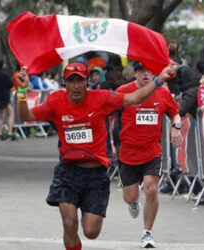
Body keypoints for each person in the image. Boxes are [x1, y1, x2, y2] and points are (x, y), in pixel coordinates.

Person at [17, 61, 176, 250]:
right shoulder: (55, 101)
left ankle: (86, 210)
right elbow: (25, 116)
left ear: (87, 83)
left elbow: (134, 98)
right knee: (69, 224)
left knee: (91, 232)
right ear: (64, 83)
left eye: (80, 81)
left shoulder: (101, 98)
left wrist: (159, 80)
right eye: (71, 81)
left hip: (96, 175)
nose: (76, 86)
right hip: (68, 173)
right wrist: (22, 91)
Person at [116, 61, 182, 248]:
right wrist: (112, 143)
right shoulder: (123, 91)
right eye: (141, 71)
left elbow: (175, 113)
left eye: (149, 71)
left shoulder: (162, 92)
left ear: (155, 73)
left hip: (152, 151)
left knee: (151, 189)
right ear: (135, 73)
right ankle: (133, 202)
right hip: (128, 152)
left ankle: (147, 233)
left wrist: (176, 127)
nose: (146, 74)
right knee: (130, 196)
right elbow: (111, 116)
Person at [0, 59, 16, 141]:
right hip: (5, 96)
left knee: (0, 116)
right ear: (3, 65)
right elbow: (11, 85)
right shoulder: (5, 74)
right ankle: (9, 133)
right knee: (11, 114)